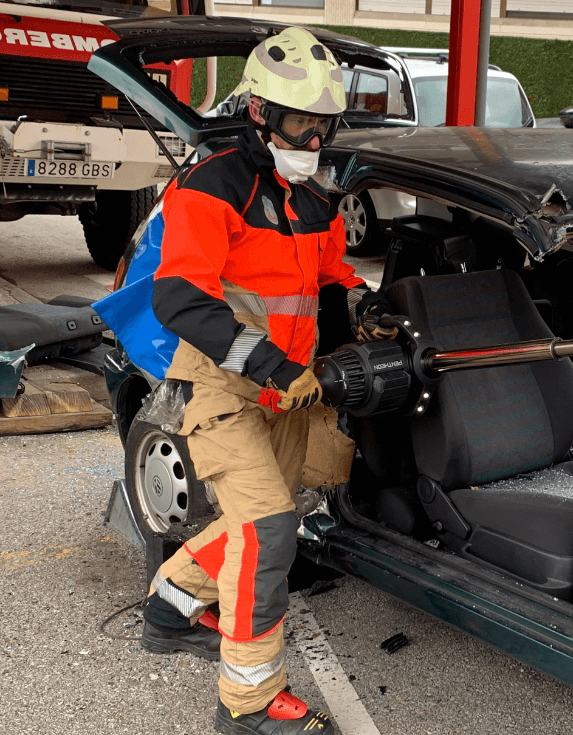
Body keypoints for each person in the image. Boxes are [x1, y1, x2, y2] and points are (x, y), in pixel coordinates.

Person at [138, 26, 391, 735]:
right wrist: (276, 366)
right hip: (224, 386)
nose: (313, 140)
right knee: (272, 528)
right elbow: (180, 298)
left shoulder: (313, 195)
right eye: (300, 124)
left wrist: (364, 301)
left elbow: (331, 276)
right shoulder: (211, 185)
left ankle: (168, 605)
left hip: (289, 390)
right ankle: (248, 702)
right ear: (259, 112)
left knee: (255, 517)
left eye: (323, 126)